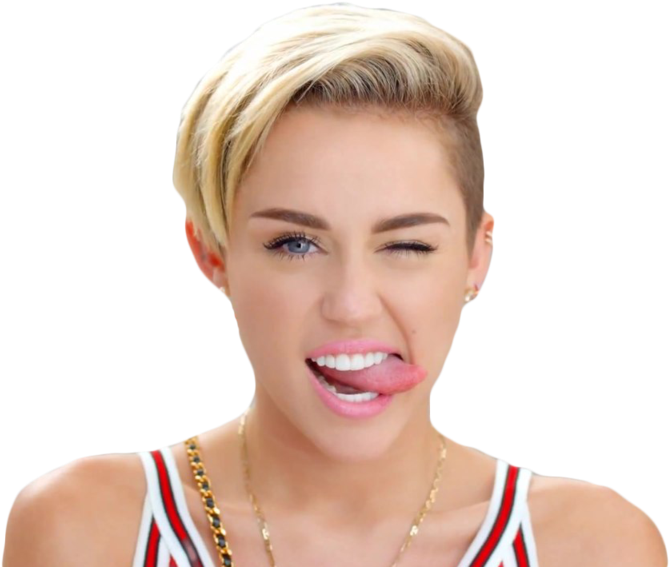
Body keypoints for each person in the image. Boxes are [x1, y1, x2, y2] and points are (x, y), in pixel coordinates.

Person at [5, 4, 665, 567]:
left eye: (406, 245)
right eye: (295, 243)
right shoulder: (86, 532)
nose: (351, 304)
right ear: (211, 254)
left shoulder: (591, 547)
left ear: (476, 256)